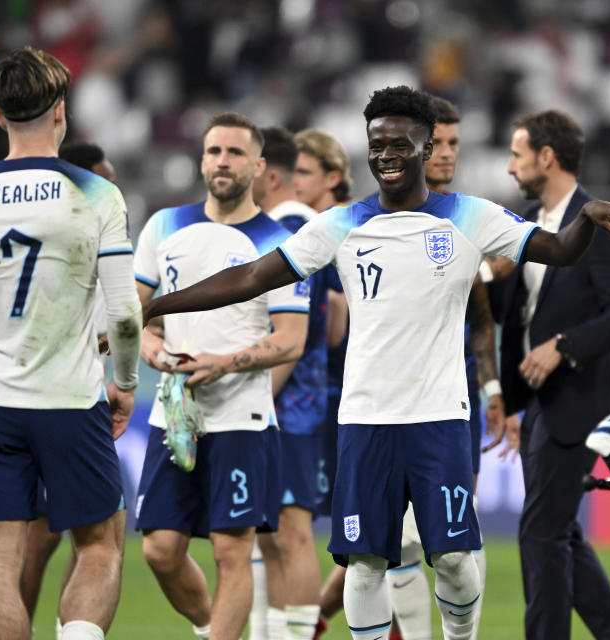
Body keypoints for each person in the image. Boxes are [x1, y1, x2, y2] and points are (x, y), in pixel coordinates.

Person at [141, 85, 610, 640]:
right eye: (376, 142)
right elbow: (249, 278)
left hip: (439, 417)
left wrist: (587, 221)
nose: (385, 153)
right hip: (364, 421)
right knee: (363, 564)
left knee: (454, 561)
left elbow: (556, 250)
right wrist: (158, 304)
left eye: (398, 142)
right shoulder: (341, 224)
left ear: (427, 146)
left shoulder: (470, 217)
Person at [0, 47, 141, 640]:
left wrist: (1, 323)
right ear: (62, 112)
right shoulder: (96, 194)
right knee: (99, 547)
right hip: (70, 400)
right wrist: (124, 384)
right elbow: (123, 315)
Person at [133, 112, 309, 640]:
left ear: (258, 166)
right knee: (160, 550)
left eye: (235, 153)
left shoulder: (280, 242)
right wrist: (152, 350)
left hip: (243, 419)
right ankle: (214, 626)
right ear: (201, 159)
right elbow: (135, 320)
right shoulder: (163, 226)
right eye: (214, 152)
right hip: (175, 417)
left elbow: (291, 338)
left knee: (234, 552)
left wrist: (225, 362)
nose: (222, 162)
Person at [496, 109, 610, 640]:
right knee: (559, 535)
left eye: (516, 155)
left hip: (581, 401)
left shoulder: (594, 221)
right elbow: (516, 313)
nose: (510, 167)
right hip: (539, 404)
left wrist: (563, 346)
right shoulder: (527, 220)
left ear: (546, 157)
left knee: (540, 533)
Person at [385, 94, 504, 640]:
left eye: (456, 143)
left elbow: (481, 321)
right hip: (386, 399)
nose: (448, 154)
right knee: (399, 542)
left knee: (453, 540)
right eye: (441, 142)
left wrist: (493, 387)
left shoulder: (468, 221)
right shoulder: (379, 219)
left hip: (451, 400)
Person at [19, 140, 120, 635]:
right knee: (101, 539)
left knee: (27, 545)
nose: (113, 188)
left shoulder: (29, 236)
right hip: (74, 404)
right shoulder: (88, 246)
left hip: (9, 402)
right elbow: (110, 328)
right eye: (105, 180)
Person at [250, 125, 328, 640]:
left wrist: (258, 395)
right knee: (273, 535)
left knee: (293, 532)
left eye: (249, 163)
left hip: (293, 404)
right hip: (286, 401)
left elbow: (302, 330)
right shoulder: (282, 228)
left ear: (269, 173)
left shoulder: (294, 230)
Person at [293, 126, 353, 636]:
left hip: (334, 394)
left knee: (343, 524)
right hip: (334, 394)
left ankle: (307, 620)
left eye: (302, 172)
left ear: (332, 177)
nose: (292, 182)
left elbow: (336, 324)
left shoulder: (332, 234)